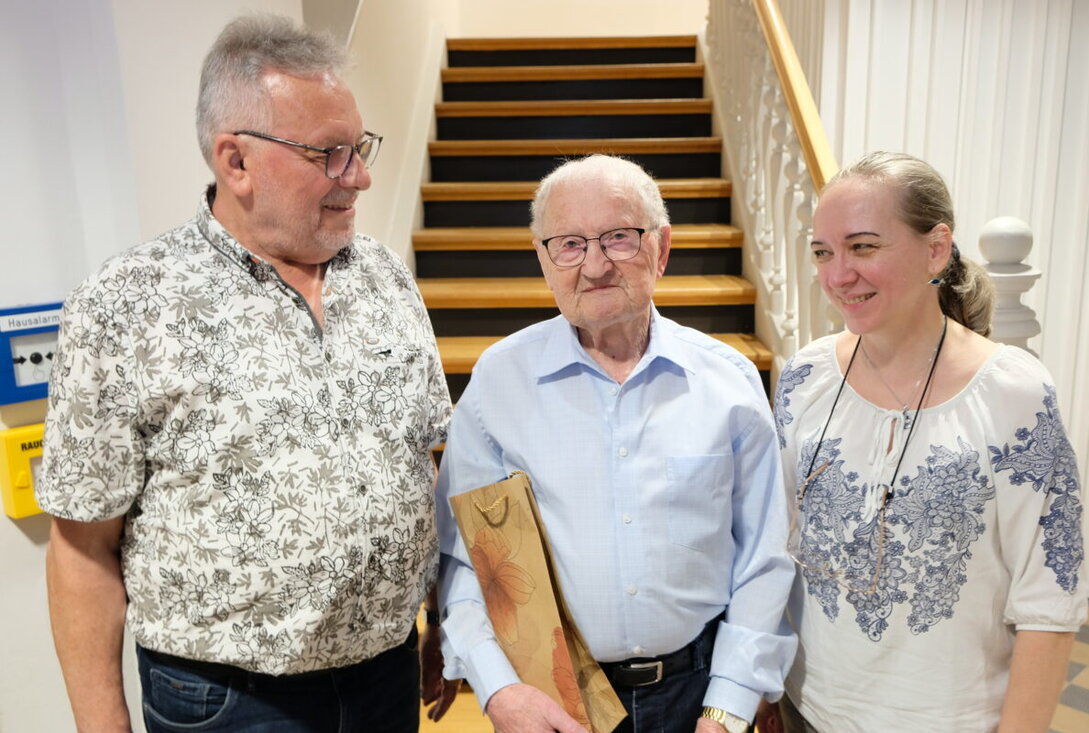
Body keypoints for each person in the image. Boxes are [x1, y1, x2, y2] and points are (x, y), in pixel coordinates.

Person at [37, 15, 455, 733]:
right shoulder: (126, 302)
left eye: (359, 148)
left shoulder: (386, 278)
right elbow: (82, 545)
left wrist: (441, 622)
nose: (360, 176)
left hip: (385, 679)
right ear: (235, 161)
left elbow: (426, 468)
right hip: (228, 702)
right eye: (331, 154)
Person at [435, 154, 796, 733]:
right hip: (553, 696)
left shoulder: (727, 381)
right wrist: (500, 690)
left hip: (697, 692)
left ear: (662, 247)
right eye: (570, 244)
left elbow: (764, 556)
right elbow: (463, 559)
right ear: (544, 261)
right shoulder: (498, 383)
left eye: (618, 238)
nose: (596, 265)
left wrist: (727, 707)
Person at [765, 151, 1086, 733]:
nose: (838, 275)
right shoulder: (807, 376)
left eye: (863, 247)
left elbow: (1050, 595)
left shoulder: (1013, 392)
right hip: (805, 710)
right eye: (823, 252)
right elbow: (774, 544)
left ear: (936, 249)